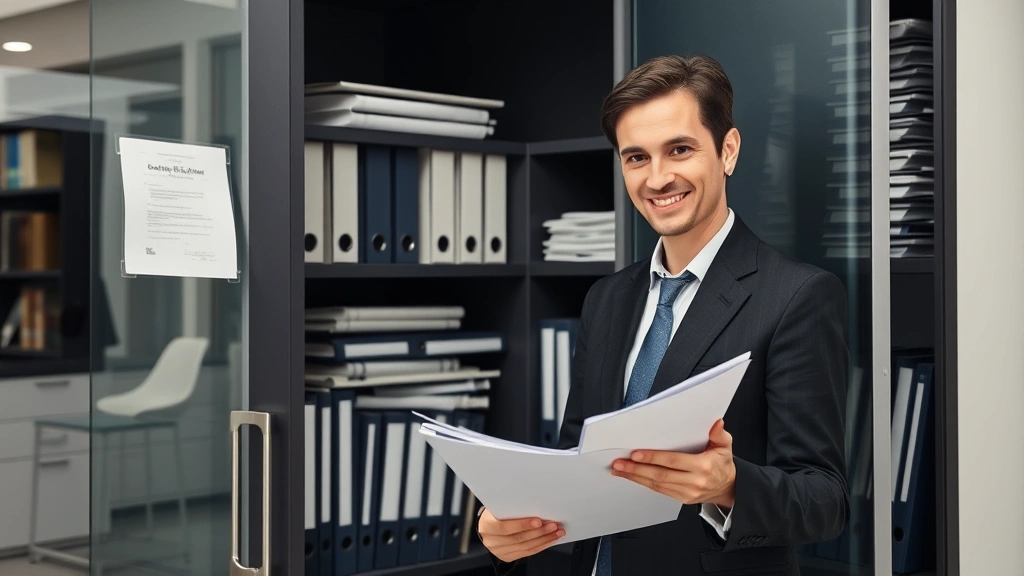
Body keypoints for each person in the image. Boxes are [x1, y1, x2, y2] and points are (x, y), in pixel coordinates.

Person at [475, 54, 850, 575]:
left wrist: (729, 485)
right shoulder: (607, 299)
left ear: (728, 150)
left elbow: (825, 499)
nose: (657, 178)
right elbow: (576, 460)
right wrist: (509, 527)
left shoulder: (797, 296)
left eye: (679, 149)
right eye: (636, 157)